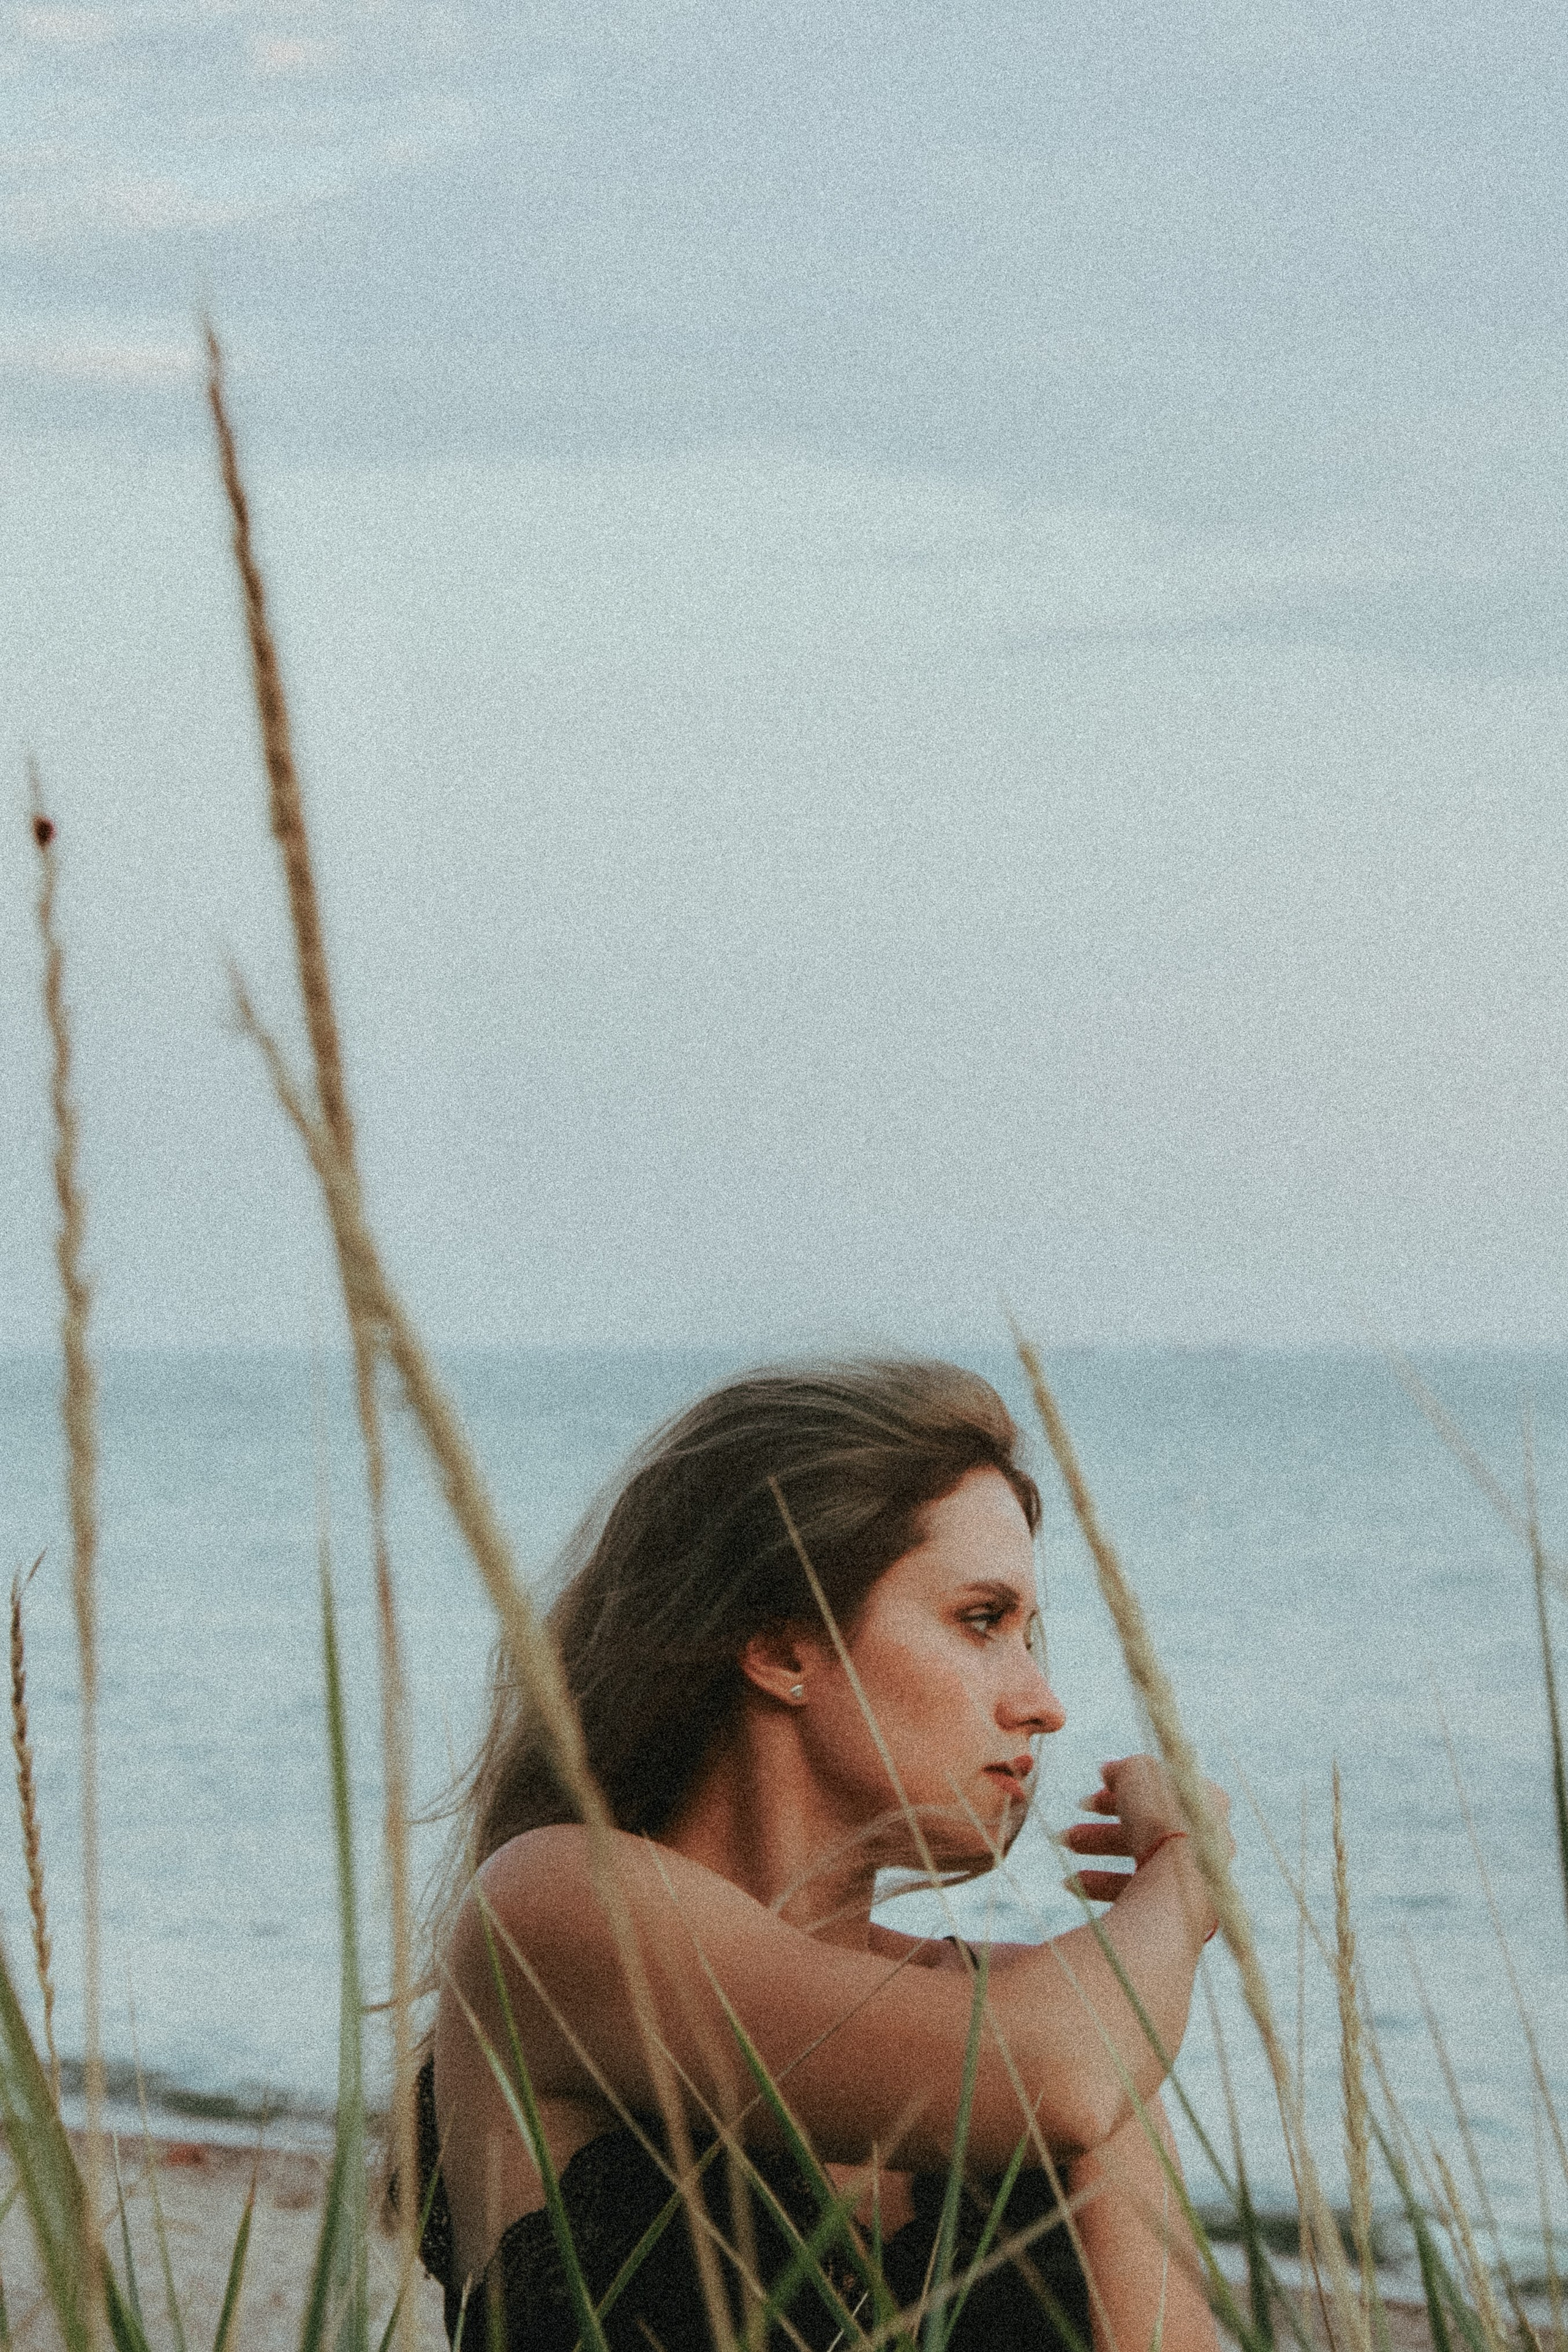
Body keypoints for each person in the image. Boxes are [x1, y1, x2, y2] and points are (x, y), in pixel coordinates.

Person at [416, 1359, 1228, 2351]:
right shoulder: (555, 1907)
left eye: (1030, 1636)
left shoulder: (1076, 2027)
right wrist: (1186, 1874)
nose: (1041, 1702)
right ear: (783, 1646)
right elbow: (1049, 2076)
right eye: (982, 1621)